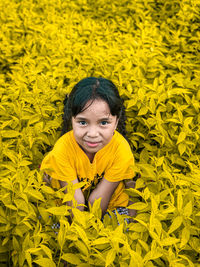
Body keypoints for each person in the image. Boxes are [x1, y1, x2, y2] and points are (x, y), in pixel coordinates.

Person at [41, 77, 136, 222]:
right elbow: (75, 204)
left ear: (116, 122)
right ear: (71, 119)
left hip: (108, 205)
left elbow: (97, 202)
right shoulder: (62, 149)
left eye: (103, 122)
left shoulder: (120, 149)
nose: (92, 134)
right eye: (82, 122)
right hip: (67, 207)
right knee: (51, 226)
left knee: (126, 226)